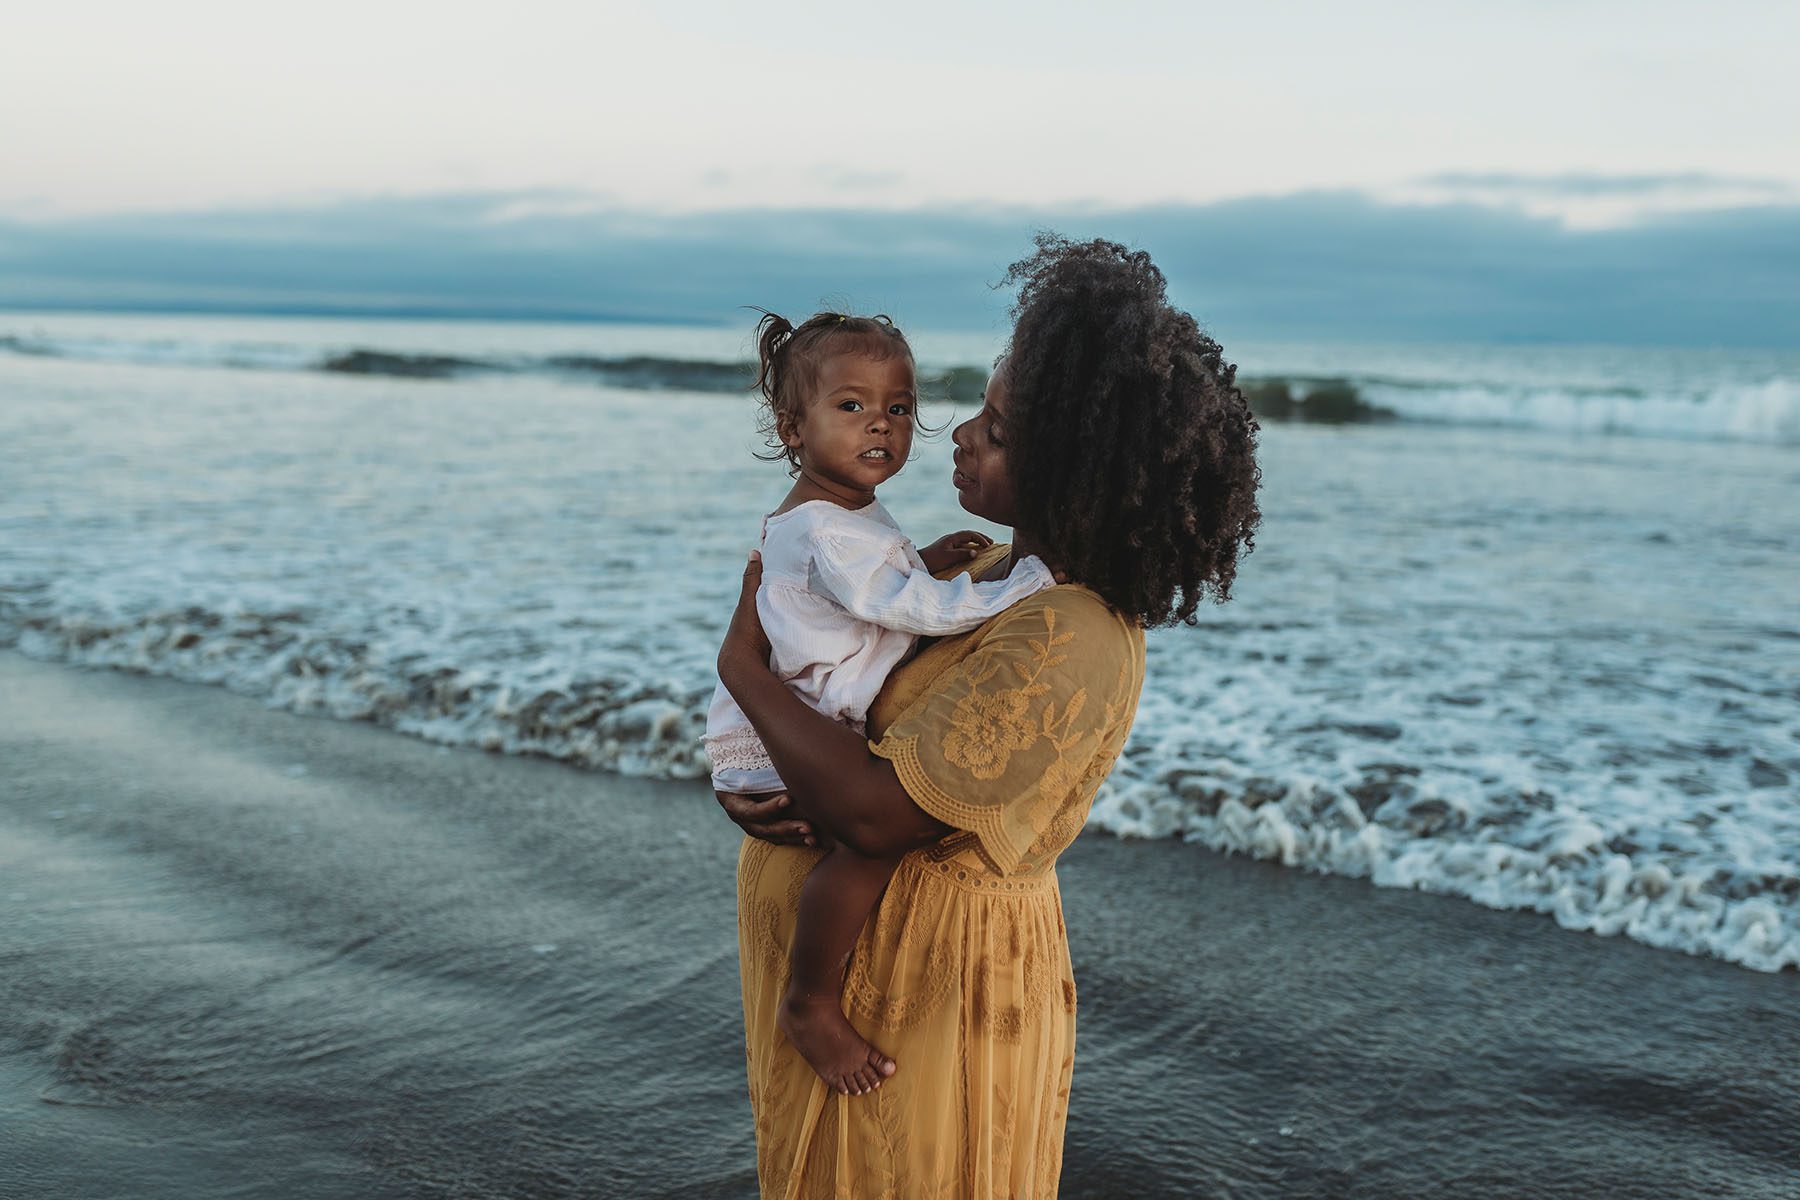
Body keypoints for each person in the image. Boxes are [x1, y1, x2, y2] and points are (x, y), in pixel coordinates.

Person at [716, 234, 1264, 1197]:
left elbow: (879, 817)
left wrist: (740, 668)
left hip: (925, 1008)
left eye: (999, 430)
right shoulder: (978, 573)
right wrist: (748, 760)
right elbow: (839, 686)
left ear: (1072, 470)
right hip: (849, 982)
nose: (957, 434)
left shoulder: (1072, 632)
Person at [703, 309, 1059, 1097]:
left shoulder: (839, 512)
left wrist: (918, 563)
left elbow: (868, 592)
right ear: (793, 428)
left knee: (861, 842)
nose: (883, 426)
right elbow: (909, 612)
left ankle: (811, 991)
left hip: (791, 716)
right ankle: (811, 1001)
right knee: (866, 846)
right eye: (853, 406)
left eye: (899, 408)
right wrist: (1017, 584)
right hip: (782, 736)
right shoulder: (829, 531)